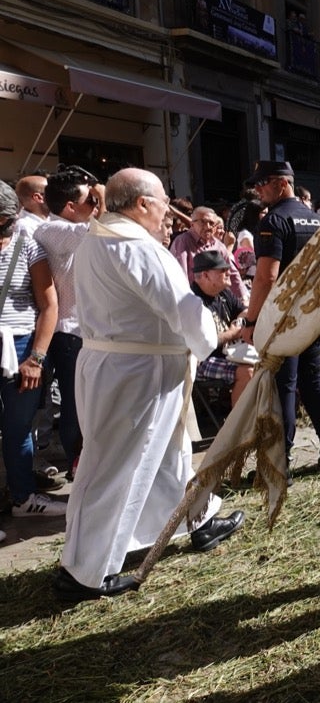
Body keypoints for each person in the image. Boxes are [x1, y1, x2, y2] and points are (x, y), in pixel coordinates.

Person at [57, 168, 243, 602]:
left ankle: (200, 519)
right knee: (115, 466)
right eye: (164, 203)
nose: (169, 215)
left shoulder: (98, 237)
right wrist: (216, 337)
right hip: (137, 373)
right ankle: (84, 572)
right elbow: (183, 311)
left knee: (168, 454)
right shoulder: (139, 247)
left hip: (119, 365)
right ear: (141, 204)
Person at [239, 161, 320, 473]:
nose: (258, 190)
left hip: (282, 317)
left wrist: (251, 321)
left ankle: (280, 459)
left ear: (282, 183)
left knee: (285, 384)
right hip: (312, 313)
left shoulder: (274, 221)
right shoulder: (315, 220)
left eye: (263, 183)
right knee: (312, 382)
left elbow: (266, 278)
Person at [33, 167, 103, 479]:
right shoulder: (52, 231)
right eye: (90, 200)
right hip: (69, 333)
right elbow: (95, 228)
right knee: (78, 403)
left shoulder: (68, 227)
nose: (95, 204)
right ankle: (79, 463)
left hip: (87, 331)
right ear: (70, 206)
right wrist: (102, 193)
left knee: (91, 400)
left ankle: (89, 461)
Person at [0, 180, 60, 516]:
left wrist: (36, 357)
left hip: (21, 345)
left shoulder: (28, 246)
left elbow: (48, 305)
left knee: (17, 425)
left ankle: (23, 497)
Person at [191, 251, 253, 407]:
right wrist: (230, 334)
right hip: (200, 360)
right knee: (247, 372)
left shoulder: (223, 293)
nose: (228, 273)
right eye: (222, 270)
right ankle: (237, 426)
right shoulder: (192, 301)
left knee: (266, 365)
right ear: (205, 275)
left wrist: (239, 322)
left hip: (227, 354)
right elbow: (201, 344)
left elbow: (244, 310)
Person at [169, 206, 249, 302]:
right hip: (192, 300)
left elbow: (231, 273)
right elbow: (180, 275)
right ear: (192, 224)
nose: (207, 227)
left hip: (216, 300)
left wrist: (243, 297)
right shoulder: (183, 242)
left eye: (211, 223)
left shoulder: (219, 246)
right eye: (202, 222)